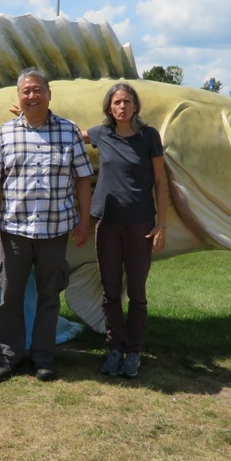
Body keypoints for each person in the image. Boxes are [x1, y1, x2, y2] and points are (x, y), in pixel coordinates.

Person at [0, 67, 93, 383]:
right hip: (14, 231)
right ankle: (9, 357)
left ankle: (44, 357)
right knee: (10, 297)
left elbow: (83, 178)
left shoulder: (69, 131)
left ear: (49, 94)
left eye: (37, 89)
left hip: (56, 231)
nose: (32, 95)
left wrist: (84, 220)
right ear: (19, 96)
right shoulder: (5, 133)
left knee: (49, 296)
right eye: (26, 91)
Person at [86, 82, 168, 379]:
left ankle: (134, 351)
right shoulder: (101, 134)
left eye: (127, 101)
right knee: (109, 291)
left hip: (140, 224)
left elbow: (161, 181)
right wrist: (35, 114)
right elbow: (67, 134)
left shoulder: (149, 137)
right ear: (110, 107)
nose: (122, 106)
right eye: (117, 102)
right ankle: (114, 349)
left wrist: (162, 222)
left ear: (135, 106)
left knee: (136, 291)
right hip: (107, 223)